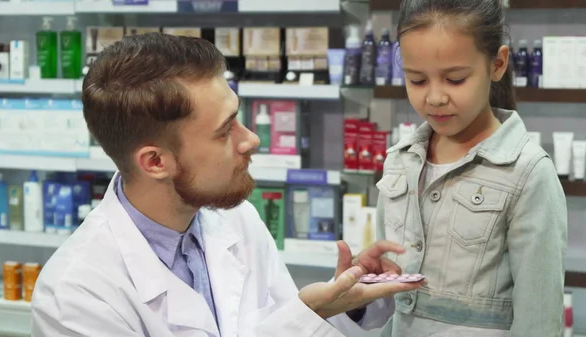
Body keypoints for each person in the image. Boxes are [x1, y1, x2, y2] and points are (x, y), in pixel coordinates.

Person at [30, 33, 422, 337]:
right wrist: (305, 314)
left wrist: (342, 303)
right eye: (224, 131)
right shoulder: (77, 294)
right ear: (155, 162)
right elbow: (288, 326)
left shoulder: (237, 221)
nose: (251, 139)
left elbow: (285, 324)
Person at [345, 0, 568, 336]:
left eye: (455, 79)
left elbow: (539, 317)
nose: (434, 97)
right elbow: (391, 308)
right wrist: (359, 287)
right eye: (417, 81)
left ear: (497, 64)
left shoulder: (527, 171)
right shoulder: (399, 162)